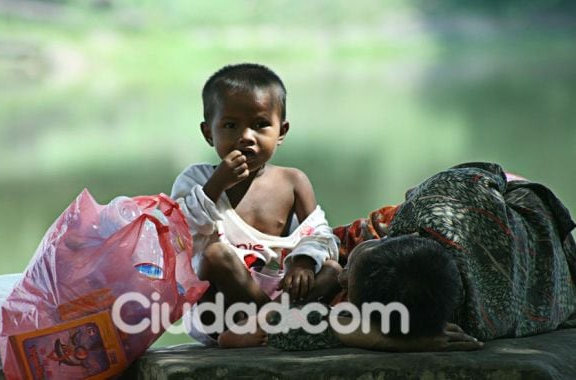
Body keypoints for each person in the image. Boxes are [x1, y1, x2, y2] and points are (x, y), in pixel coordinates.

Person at [269, 162, 576, 351]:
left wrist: (378, 339)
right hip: (532, 224)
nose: (342, 275)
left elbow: (280, 328)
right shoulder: (469, 318)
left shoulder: (464, 327)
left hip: (516, 196)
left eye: (349, 279)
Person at [171, 63, 341, 347]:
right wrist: (216, 185)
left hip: (280, 296)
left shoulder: (293, 182)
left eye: (261, 124)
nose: (246, 136)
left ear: (282, 131)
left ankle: (269, 323)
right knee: (215, 254)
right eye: (230, 125)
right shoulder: (196, 179)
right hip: (220, 312)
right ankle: (278, 325)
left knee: (333, 271)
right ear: (208, 133)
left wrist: (303, 261)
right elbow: (179, 235)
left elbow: (323, 236)